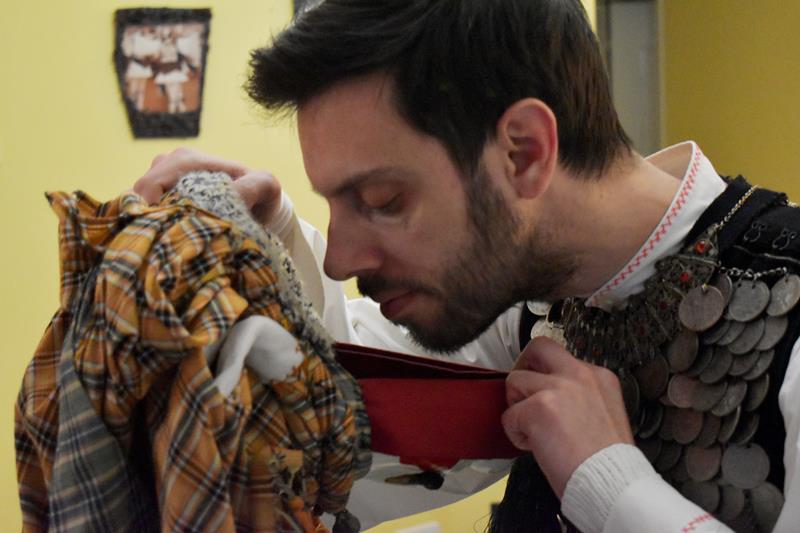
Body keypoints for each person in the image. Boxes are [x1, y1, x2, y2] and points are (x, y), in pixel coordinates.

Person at [132, 1, 800, 531]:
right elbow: (340, 415)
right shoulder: (524, 303)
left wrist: (610, 485)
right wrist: (273, 233)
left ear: (523, 153)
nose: (338, 261)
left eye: (383, 200)